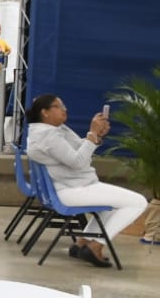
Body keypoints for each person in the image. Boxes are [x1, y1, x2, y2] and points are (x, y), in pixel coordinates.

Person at [25, 94, 146, 267]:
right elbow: (78, 161)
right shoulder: (48, 136)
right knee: (138, 202)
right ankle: (96, 245)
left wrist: (95, 137)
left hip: (72, 186)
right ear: (45, 112)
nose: (64, 109)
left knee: (113, 205)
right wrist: (92, 135)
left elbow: (78, 148)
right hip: (71, 190)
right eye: (58, 106)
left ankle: (81, 243)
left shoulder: (51, 130)